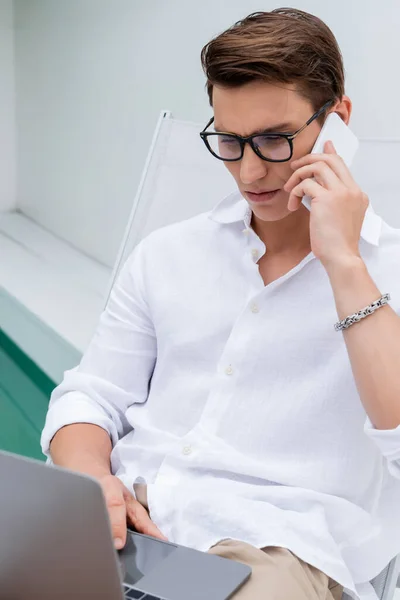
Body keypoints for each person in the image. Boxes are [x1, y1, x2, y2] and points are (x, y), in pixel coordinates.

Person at [41, 8, 400, 600]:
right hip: (132, 518)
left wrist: (344, 264)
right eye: (229, 141)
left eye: (274, 140)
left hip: (275, 553)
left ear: (338, 122)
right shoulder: (168, 255)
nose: (250, 171)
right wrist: (88, 478)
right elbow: (92, 394)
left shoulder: (382, 271)